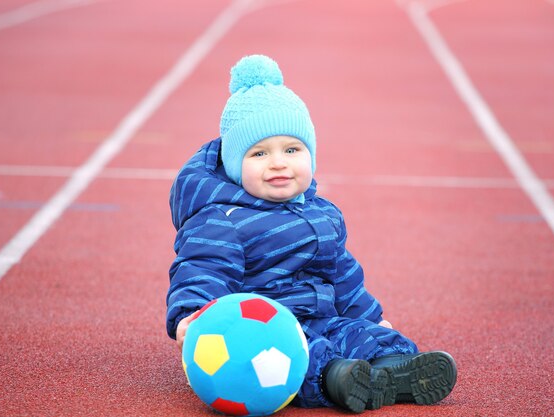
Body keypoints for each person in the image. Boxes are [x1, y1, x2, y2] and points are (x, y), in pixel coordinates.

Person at [166, 54, 457, 412]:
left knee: (367, 337)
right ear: (234, 165)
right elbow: (201, 269)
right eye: (259, 153)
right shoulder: (221, 219)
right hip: (261, 331)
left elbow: (343, 276)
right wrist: (193, 314)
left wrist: (371, 317)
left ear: (310, 155)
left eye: (292, 150)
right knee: (302, 356)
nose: (278, 162)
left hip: (321, 316)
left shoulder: (322, 214)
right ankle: (336, 378)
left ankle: (392, 371)